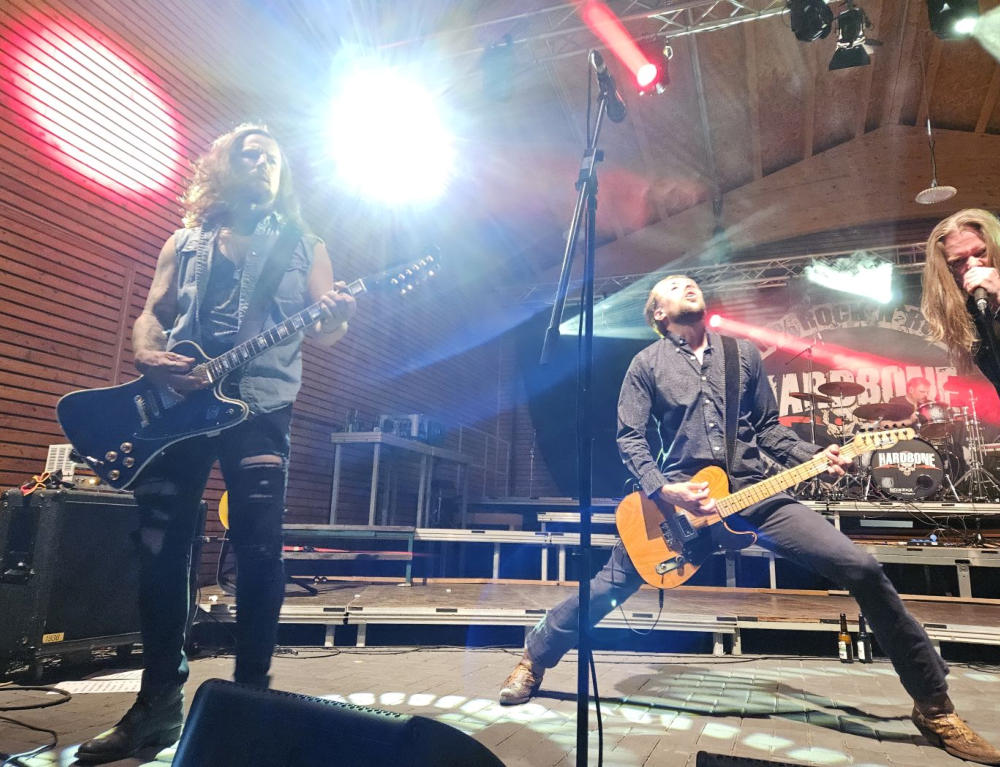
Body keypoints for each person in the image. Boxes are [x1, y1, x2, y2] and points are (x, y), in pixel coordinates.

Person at [499, 275, 1000, 765]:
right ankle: (534, 657)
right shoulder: (646, 363)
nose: (687, 286)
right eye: (672, 286)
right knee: (609, 586)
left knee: (862, 567)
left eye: (691, 283)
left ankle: (934, 706)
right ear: (657, 312)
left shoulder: (741, 355)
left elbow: (766, 429)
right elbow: (630, 438)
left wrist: (814, 456)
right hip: (682, 507)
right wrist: (664, 489)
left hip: (754, 494)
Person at [76, 124, 357, 763]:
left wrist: (338, 314)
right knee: (159, 546)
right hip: (178, 406)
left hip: (261, 407)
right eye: (249, 154)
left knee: (258, 548)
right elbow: (154, 312)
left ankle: (250, 704)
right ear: (223, 167)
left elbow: (327, 329)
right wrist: (147, 353)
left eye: (273, 158)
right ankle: (156, 708)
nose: (262, 164)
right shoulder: (185, 241)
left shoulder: (305, 245)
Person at [922, 208, 1000, 399]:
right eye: (959, 261)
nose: (973, 264)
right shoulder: (974, 312)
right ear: (949, 272)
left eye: (981, 252)